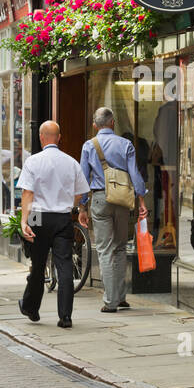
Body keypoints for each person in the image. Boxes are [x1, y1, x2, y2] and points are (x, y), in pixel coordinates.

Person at [17, 121, 88, 328]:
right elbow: (80, 193)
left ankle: (31, 308)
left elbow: (27, 193)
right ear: (59, 137)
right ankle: (65, 316)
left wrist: (24, 220)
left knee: (38, 264)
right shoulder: (71, 162)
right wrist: (71, 207)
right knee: (64, 265)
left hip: (38, 216)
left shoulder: (33, 161)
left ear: (41, 137)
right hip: (62, 218)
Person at [79, 108, 148, 314]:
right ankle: (120, 297)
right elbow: (135, 174)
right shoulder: (125, 144)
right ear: (113, 123)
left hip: (100, 199)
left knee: (104, 249)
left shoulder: (89, 146)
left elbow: (83, 179)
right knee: (119, 247)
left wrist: (82, 206)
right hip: (123, 199)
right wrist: (141, 200)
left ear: (94, 125)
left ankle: (110, 302)